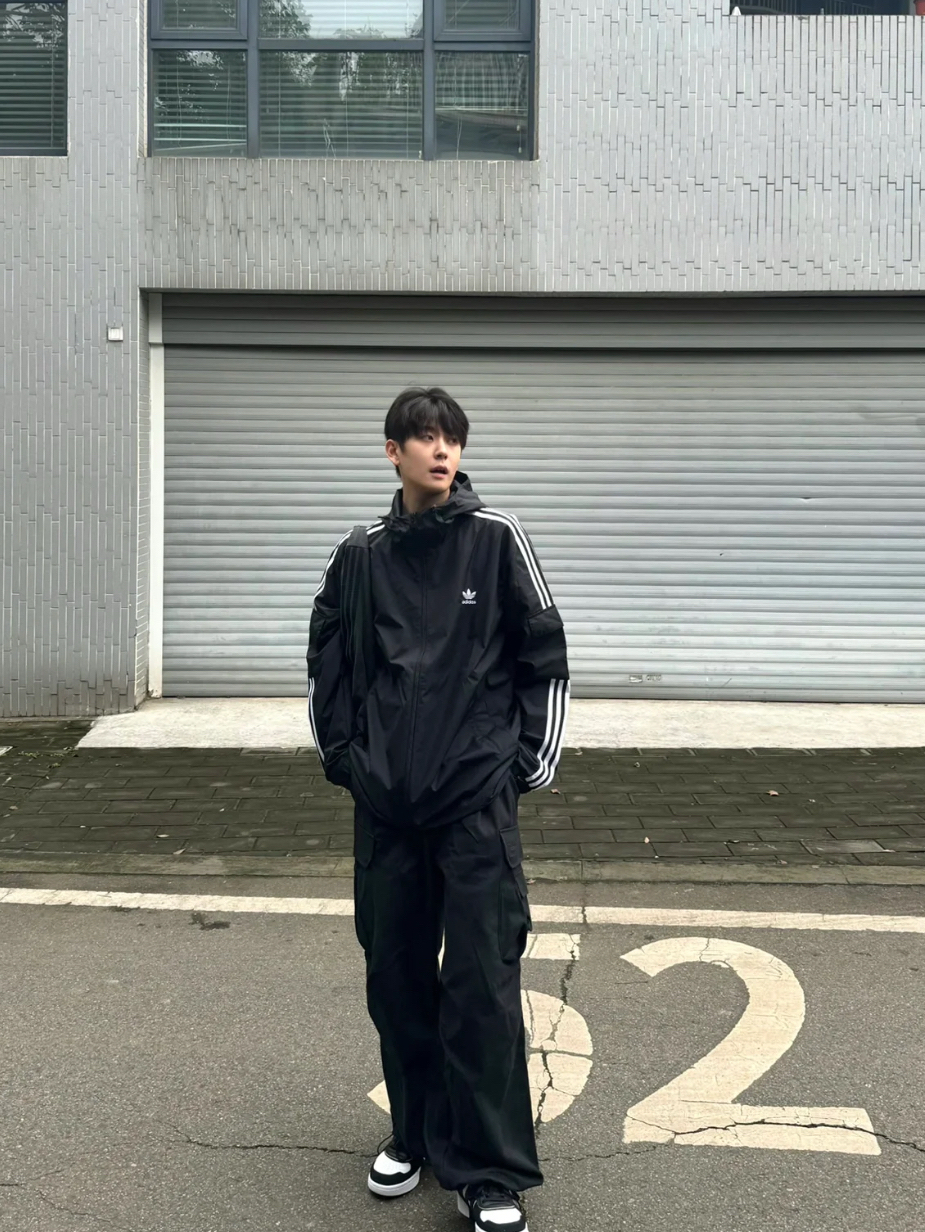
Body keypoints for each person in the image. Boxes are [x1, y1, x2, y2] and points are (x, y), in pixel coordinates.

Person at [307, 387, 569, 1232]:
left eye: (450, 438)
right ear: (393, 452)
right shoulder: (361, 553)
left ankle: (488, 1172)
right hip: (387, 809)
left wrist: (523, 766)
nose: (440, 451)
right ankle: (414, 1134)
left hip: (473, 806)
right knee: (396, 977)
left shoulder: (496, 538)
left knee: (481, 984)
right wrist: (347, 761)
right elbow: (326, 663)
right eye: (423, 438)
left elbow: (544, 656)